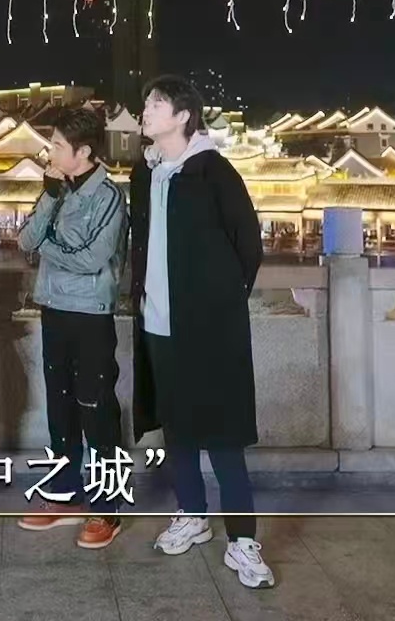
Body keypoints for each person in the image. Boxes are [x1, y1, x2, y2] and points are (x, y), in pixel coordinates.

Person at [130, 75, 275, 589]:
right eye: (147, 103)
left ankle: (243, 540)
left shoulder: (214, 172)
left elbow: (247, 245)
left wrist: (219, 303)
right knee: (177, 428)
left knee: (223, 431)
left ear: (184, 117)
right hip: (158, 322)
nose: (146, 110)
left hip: (209, 327)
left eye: (157, 104)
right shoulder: (146, 172)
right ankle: (192, 513)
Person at [15, 106, 128, 550]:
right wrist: (48, 199)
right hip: (54, 308)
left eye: (59, 145)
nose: (51, 152)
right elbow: (25, 240)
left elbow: (92, 259)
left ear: (83, 152)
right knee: (60, 406)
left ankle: (107, 507)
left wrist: (46, 246)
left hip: (91, 313)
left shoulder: (109, 197)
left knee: (95, 408)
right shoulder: (56, 189)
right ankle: (66, 494)